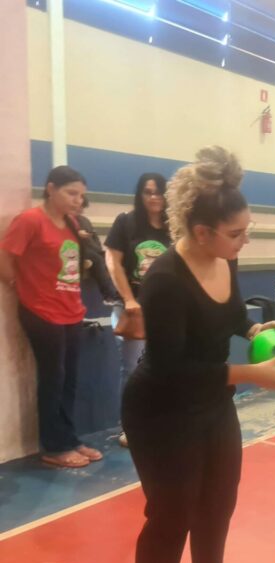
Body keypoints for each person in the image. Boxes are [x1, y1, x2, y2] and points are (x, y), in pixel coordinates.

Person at [122, 147, 275, 563]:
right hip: (162, 409)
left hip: (212, 402)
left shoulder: (224, 258)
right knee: (171, 513)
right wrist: (251, 375)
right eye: (236, 233)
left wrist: (252, 329)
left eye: (247, 230)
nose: (245, 240)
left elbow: (232, 312)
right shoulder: (164, 281)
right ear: (201, 232)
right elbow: (173, 371)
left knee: (218, 498)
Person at [0, 166, 104, 468]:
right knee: (53, 378)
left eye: (81, 196)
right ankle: (54, 446)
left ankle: (69, 438)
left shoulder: (73, 223)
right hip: (42, 312)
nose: (77, 200)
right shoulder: (31, 220)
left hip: (71, 311)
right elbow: (5, 255)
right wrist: (18, 286)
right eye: (71, 193)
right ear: (50, 189)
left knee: (69, 378)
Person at [105, 173, 172, 448]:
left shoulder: (173, 227)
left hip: (164, 308)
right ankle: (131, 426)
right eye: (148, 192)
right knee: (133, 369)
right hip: (133, 309)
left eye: (159, 192)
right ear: (140, 194)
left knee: (165, 366)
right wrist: (129, 299)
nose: (154, 197)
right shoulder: (126, 222)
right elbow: (113, 261)